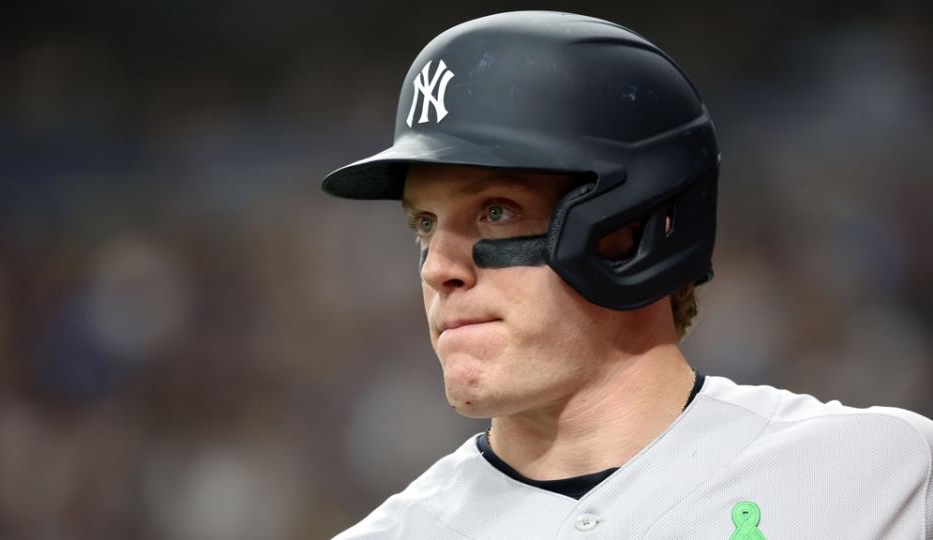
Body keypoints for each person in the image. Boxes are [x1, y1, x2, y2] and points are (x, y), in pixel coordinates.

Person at [321, 11, 933, 539]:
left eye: (496, 211)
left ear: (635, 224)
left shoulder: (886, 475)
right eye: (424, 224)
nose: (438, 269)